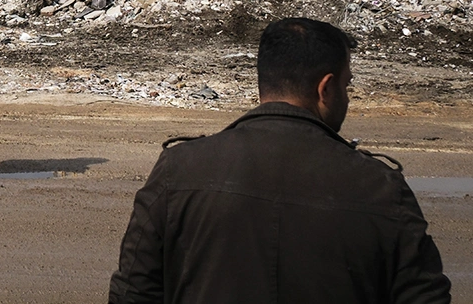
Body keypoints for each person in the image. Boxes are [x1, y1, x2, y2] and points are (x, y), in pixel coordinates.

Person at [108, 17, 451, 304]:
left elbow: (133, 293)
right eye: (347, 85)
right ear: (326, 88)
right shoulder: (381, 188)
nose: (347, 97)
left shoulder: (179, 169)